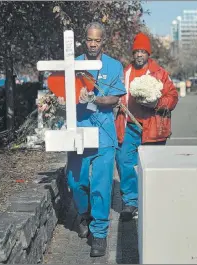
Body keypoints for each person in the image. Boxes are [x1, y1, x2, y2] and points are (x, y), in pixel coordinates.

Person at [64, 22, 126, 257]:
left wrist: (95, 98)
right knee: (75, 182)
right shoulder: (74, 64)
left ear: (103, 41)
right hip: (78, 131)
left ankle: (99, 233)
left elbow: (116, 98)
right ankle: (84, 213)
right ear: (85, 40)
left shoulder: (113, 65)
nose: (93, 43)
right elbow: (61, 92)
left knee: (101, 186)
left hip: (104, 136)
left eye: (97, 40)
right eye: (89, 39)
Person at [115, 32, 179, 221]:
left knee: (153, 166)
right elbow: (116, 94)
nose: (140, 55)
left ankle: (154, 201)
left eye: (143, 51)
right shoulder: (125, 73)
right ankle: (130, 202)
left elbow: (173, 97)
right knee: (124, 160)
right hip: (129, 125)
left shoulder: (159, 73)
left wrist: (157, 103)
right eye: (136, 52)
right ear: (133, 54)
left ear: (148, 53)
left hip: (152, 127)